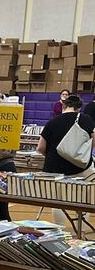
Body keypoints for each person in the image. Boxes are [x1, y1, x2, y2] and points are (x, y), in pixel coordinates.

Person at [38, 95, 95, 226]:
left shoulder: (52, 122)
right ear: (79, 108)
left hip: (54, 169)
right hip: (80, 168)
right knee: (84, 198)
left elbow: (41, 147)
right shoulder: (86, 120)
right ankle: (82, 228)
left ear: (63, 106)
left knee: (58, 201)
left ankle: (60, 228)